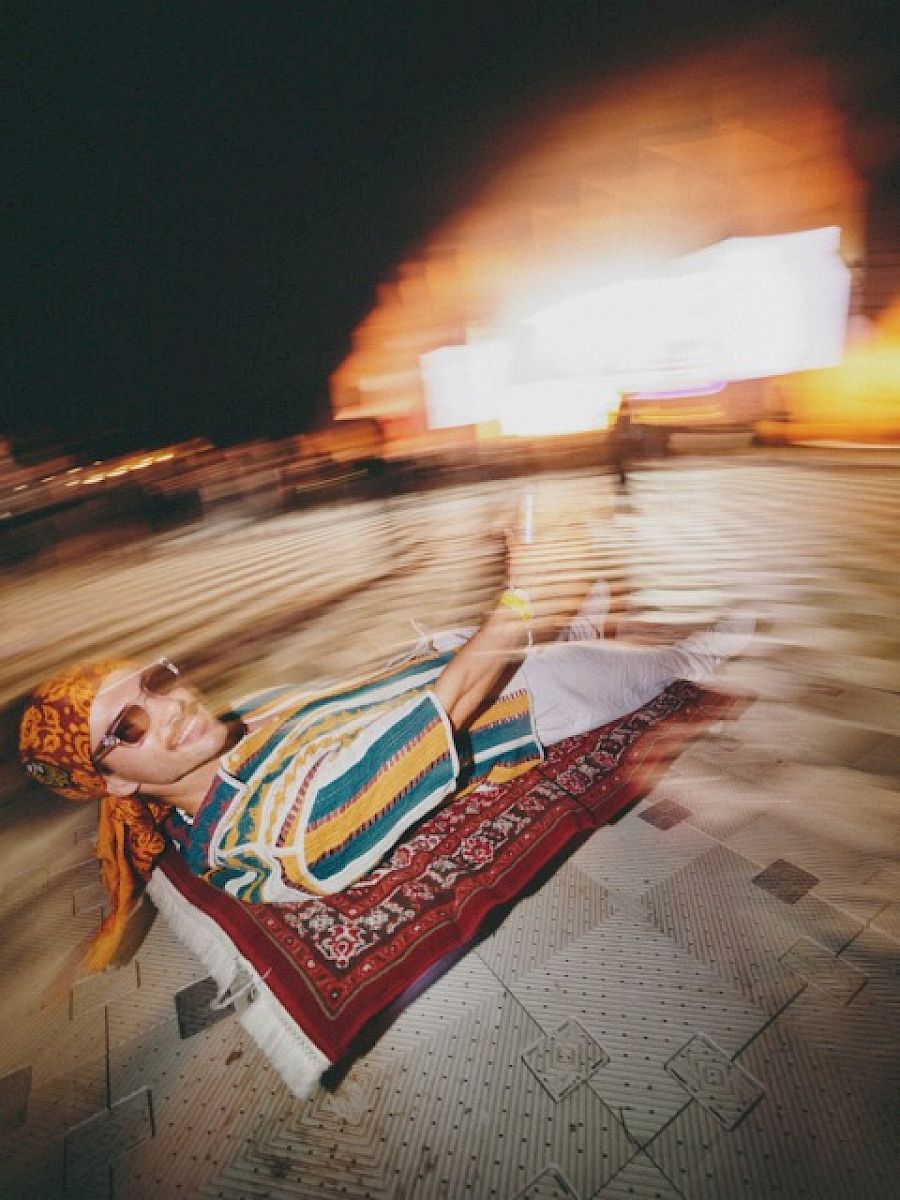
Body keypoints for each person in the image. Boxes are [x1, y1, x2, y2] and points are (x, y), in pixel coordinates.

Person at [19, 536, 753, 971]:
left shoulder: (221, 736)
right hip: (508, 707)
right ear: (114, 786)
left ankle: (579, 633)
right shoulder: (256, 839)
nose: (171, 707)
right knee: (654, 665)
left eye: (154, 683)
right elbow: (423, 734)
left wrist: (488, 627)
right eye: (129, 728)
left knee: (559, 624)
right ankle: (686, 655)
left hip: (436, 664)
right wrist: (518, 602)